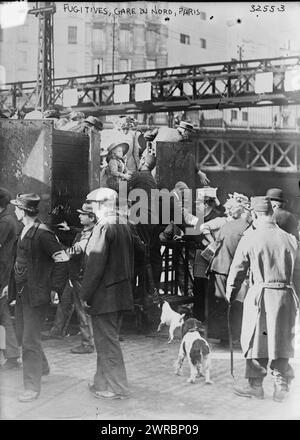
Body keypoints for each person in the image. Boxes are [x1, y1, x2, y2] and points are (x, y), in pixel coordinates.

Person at [226, 196, 300, 402]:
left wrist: (230, 294)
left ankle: (256, 386)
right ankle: (280, 387)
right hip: (286, 297)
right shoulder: (290, 239)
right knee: (282, 340)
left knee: (256, 339)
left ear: (256, 214)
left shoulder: (251, 237)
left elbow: (237, 270)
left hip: (261, 296)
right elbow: (298, 273)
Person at [8, 193, 69, 402]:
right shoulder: (24, 230)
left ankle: (32, 388)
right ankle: (42, 367)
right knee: (22, 333)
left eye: (17, 207)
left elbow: (62, 259)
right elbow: (21, 261)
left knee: (29, 339)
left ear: (24, 211)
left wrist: (53, 288)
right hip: (23, 292)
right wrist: (11, 287)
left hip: (37, 294)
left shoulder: (43, 234)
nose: (15, 210)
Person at [81, 188, 135, 400]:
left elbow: (94, 265)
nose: (91, 208)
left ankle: (117, 387)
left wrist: (85, 294)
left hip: (105, 295)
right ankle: (101, 382)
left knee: (107, 342)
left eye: (93, 204)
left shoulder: (104, 226)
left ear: (102, 205)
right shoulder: (124, 224)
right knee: (105, 340)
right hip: (120, 292)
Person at [44, 203, 96, 353]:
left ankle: (87, 344)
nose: (79, 216)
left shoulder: (91, 235)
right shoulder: (89, 230)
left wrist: (56, 245)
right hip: (74, 274)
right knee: (66, 301)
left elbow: (73, 251)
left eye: (82, 214)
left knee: (82, 310)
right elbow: (81, 232)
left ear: (91, 217)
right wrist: (70, 229)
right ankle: (57, 330)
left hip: (80, 277)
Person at [208, 193, 252, 342]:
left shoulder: (227, 225)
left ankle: (222, 336)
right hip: (232, 269)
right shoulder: (247, 229)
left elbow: (218, 243)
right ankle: (233, 335)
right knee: (235, 303)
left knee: (220, 302)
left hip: (219, 267)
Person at [142, 121, 210, 186]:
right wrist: (199, 173)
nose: (188, 136)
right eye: (188, 133)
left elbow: (147, 136)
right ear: (184, 131)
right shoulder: (180, 140)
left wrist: (153, 146)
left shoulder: (163, 129)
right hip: (159, 168)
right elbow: (188, 158)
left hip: (145, 160)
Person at [0, 188, 21, 370]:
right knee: (3, 316)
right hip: (3, 274)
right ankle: (12, 354)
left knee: (3, 317)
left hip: (1, 275)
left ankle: (12, 355)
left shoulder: (5, 222)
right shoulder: (7, 219)